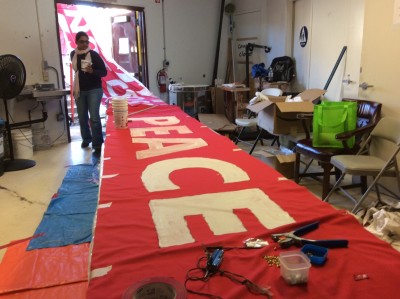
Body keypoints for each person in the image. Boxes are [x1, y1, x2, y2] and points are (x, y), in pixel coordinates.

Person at [70, 31, 107, 155]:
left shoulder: (93, 55)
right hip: (80, 89)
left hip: (94, 90)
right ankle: (86, 139)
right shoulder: (72, 55)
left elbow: (104, 72)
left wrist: (92, 71)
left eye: (87, 41)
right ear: (76, 42)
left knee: (95, 118)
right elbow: (77, 71)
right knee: (82, 117)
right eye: (82, 41)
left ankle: (97, 145)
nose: (85, 44)